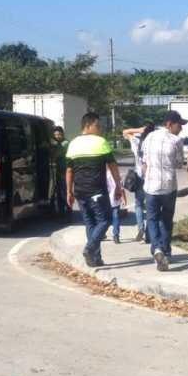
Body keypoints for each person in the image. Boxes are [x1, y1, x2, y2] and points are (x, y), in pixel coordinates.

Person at [66, 113, 123, 267]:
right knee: (105, 220)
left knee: (90, 223)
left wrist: (69, 192)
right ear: (88, 125)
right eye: (97, 126)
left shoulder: (73, 144)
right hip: (96, 190)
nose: (99, 129)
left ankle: (95, 259)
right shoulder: (101, 142)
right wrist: (118, 186)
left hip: (79, 191)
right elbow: (113, 166)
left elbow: (69, 170)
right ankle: (90, 248)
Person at [141, 110, 187, 272]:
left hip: (151, 187)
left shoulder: (149, 137)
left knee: (152, 219)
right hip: (168, 187)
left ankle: (157, 249)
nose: (181, 128)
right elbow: (179, 164)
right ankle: (165, 251)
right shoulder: (176, 140)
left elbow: (144, 161)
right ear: (169, 124)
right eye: (179, 124)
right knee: (166, 220)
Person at [122, 122, 154, 242]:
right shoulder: (153, 142)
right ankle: (150, 234)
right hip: (151, 178)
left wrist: (138, 129)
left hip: (139, 177)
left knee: (139, 204)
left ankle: (141, 227)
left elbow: (125, 132)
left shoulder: (136, 141)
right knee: (151, 206)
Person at [50, 125, 69, 217]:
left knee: (64, 192)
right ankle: (61, 213)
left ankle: (67, 212)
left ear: (62, 134)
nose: (57, 136)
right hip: (57, 171)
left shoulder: (65, 143)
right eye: (55, 135)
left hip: (64, 171)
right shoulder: (57, 144)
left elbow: (56, 155)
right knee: (58, 192)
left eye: (59, 134)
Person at [106, 168, 127, 244]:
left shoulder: (104, 175)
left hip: (106, 201)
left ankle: (102, 233)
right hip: (116, 200)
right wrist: (124, 199)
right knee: (116, 218)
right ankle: (116, 236)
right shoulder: (117, 175)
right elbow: (121, 188)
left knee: (105, 219)